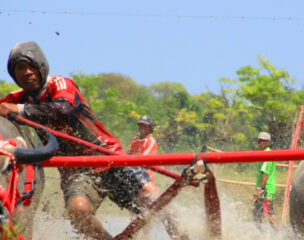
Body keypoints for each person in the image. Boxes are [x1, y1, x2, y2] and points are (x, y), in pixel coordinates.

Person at [0, 41, 188, 240]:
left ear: (41, 66)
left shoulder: (60, 84)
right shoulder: (17, 99)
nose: (27, 72)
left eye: (31, 66)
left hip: (108, 157)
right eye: (20, 68)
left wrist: (18, 110)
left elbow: (62, 108)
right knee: (77, 211)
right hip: (74, 170)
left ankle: (184, 237)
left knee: (153, 198)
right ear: (14, 75)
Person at [252, 131, 280, 231]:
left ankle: (278, 233)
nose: (260, 143)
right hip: (264, 189)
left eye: (262, 141)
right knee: (258, 212)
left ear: (268, 142)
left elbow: (265, 174)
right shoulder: (264, 153)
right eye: (258, 141)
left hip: (266, 189)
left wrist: (259, 189)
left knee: (269, 213)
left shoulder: (267, 155)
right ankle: (261, 233)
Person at [129, 115, 157, 182]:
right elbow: (129, 154)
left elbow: (144, 158)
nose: (142, 127)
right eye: (141, 125)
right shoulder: (134, 140)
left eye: (144, 125)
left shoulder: (151, 141)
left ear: (150, 128)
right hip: (134, 172)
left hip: (145, 175)